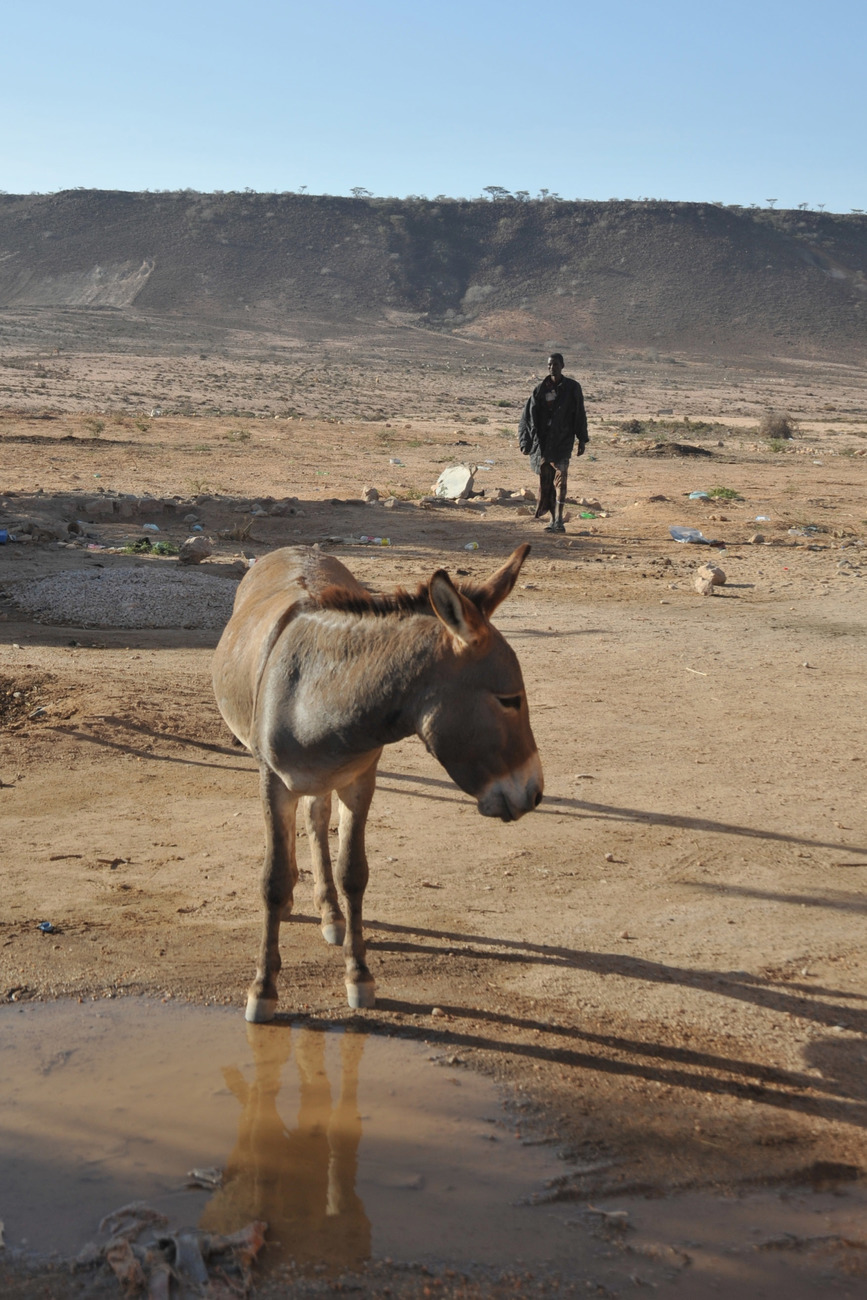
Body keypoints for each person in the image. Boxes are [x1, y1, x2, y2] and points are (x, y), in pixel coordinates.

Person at [519, 353, 588, 532]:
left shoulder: (572, 388)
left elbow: (579, 413)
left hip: (563, 442)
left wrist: (582, 439)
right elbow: (527, 417)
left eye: (555, 364)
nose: (552, 368)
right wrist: (525, 442)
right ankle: (552, 520)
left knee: (561, 481)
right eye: (550, 365)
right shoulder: (540, 389)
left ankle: (559, 520)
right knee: (546, 482)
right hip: (543, 444)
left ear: (562, 366)